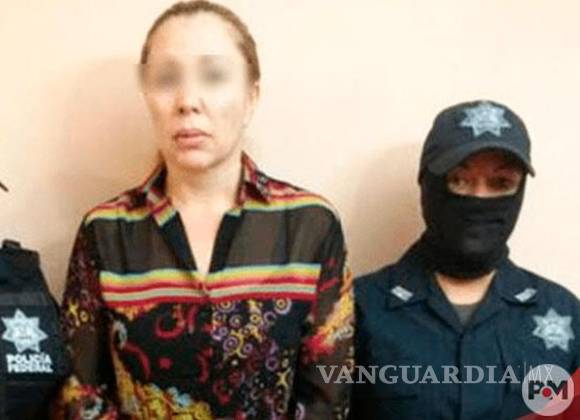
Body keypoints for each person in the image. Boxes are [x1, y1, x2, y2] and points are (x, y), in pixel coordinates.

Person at [54, 1, 353, 418]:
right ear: (147, 96)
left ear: (251, 97)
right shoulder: (105, 231)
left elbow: (328, 394)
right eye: (166, 78)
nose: (187, 101)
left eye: (213, 76)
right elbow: (78, 392)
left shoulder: (309, 224)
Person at [351, 100, 579, 419]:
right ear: (427, 185)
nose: (479, 198)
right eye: (459, 180)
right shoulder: (358, 310)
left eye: (501, 183)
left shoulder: (564, 316)